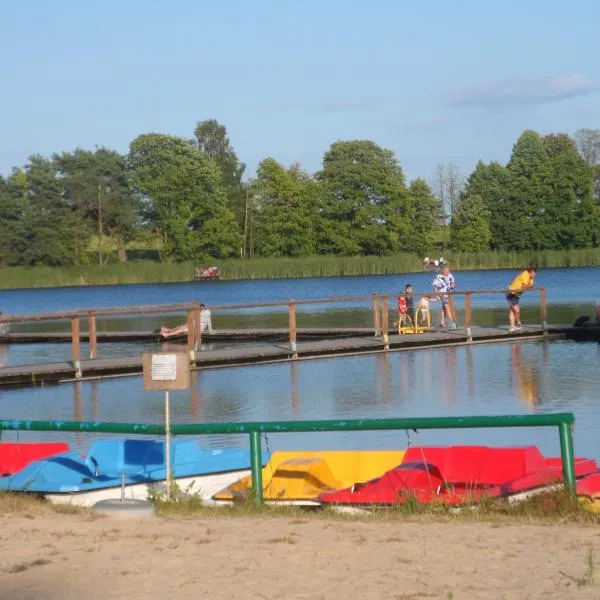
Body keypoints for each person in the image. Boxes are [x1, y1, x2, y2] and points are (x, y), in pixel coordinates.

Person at [505, 266, 537, 332]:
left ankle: (512, 327)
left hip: (516, 294)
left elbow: (531, 286)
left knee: (513, 311)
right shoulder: (525, 275)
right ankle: (518, 323)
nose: (535, 275)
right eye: (533, 274)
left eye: (535, 274)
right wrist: (527, 286)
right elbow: (524, 287)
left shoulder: (531, 278)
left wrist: (527, 286)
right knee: (516, 310)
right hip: (511, 293)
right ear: (529, 272)